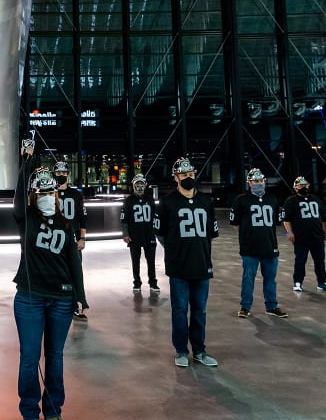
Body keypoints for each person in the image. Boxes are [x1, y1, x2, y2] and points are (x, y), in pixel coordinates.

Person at [13, 141, 85, 420]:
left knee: (55, 357)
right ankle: (30, 411)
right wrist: (26, 162)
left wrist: (80, 297)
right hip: (29, 297)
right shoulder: (26, 219)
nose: (45, 197)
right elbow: (18, 199)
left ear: (57, 195)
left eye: (49, 192)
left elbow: (74, 262)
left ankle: (54, 411)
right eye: (40, 193)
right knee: (30, 358)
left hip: (61, 299)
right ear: (34, 195)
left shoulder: (66, 224)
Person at [156, 157, 220, 368]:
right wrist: (177, 251)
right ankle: (181, 350)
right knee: (179, 310)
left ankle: (200, 350)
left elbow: (212, 233)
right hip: (179, 267)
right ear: (176, 178)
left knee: (200, 310)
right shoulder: (167, 202)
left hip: (202, 264)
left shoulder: (206, 202)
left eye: (191, 174)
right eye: (184, 175)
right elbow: (161, 234)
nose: (188, 178)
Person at [230, 168, 288, 319]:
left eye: (261, 181)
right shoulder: (241, 200)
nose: (258, 183)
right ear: (249, 183)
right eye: (255, 181)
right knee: (248, 279)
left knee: (270, 279)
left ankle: (271, 306)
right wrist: (247, 236)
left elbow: (276, 222)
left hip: (270, 246)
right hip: (250, 248)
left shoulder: (272, 199)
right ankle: (245, 307)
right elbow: (235, 223)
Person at [281, 175, 326, 293]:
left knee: (320, 261)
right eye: (301, 185)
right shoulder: (290, 201)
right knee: (300, 260)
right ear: (295, 187)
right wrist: (289, 233)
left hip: (317, 236)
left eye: (305, 185)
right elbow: (286, 220)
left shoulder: (316, 199)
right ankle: (297, 282)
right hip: (300, 237)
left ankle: (322, 282)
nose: (304, 187)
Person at [54, 161, 90, 321]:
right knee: (55, 271)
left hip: (73, 238)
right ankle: (56, 303)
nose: (61, 175)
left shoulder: (76, 194)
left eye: (64, 173)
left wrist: (83, 238)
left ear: (68, 174)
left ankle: (76, 305)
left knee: (75, 272)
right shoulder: (50, 192)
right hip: (55, 237)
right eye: (58, 172)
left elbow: (83, 218)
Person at [120, 173, 159, 294]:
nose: (140, 186)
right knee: (135, 261)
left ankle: (153, 283)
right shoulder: (128, 201)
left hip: (149, 234)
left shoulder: (150, 199)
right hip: (134, 235)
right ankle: (137, 283)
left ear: (145, 185)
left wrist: (157, 231)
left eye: (142, 184)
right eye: (137, 184)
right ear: (133, 185)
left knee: (151, 261)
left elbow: (156, 217)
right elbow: (124, 219)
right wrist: (125, 234)